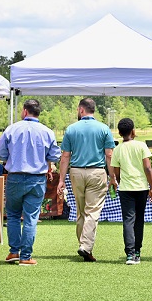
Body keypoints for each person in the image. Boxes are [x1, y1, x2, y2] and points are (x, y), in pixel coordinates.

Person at [0, 99, 61, 266]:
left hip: (15, 177)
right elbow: (55, 156)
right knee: (31, 218)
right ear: (38, 112)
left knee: (12, 215)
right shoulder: (47, 132)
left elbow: (1, 153)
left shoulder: (12, 129)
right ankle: (26, 256)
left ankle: (13, 252)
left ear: (25, 111)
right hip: (37, 178)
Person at [56, 98, 116, 262]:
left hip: (76, 172)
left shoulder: (71, 129)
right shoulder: (104, 128)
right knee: (92, 212)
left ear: (81, 110)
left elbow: (65, 157)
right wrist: (112, 177)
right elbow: (109, 155)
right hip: (97, 172)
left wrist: (61, 179)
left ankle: (84, 246)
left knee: (81, 212)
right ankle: (85, 246)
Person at [110, 118, 152, 265]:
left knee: (128, 220)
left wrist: (120, 181)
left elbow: (116, 172)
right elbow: (148, 168)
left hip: (126, 188)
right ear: (133, 131)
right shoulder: (141, 146)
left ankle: (129, 254)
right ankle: (137, 251)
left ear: (120, 133)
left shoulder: (117, 150)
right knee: (139, 220)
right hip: (141, 187)